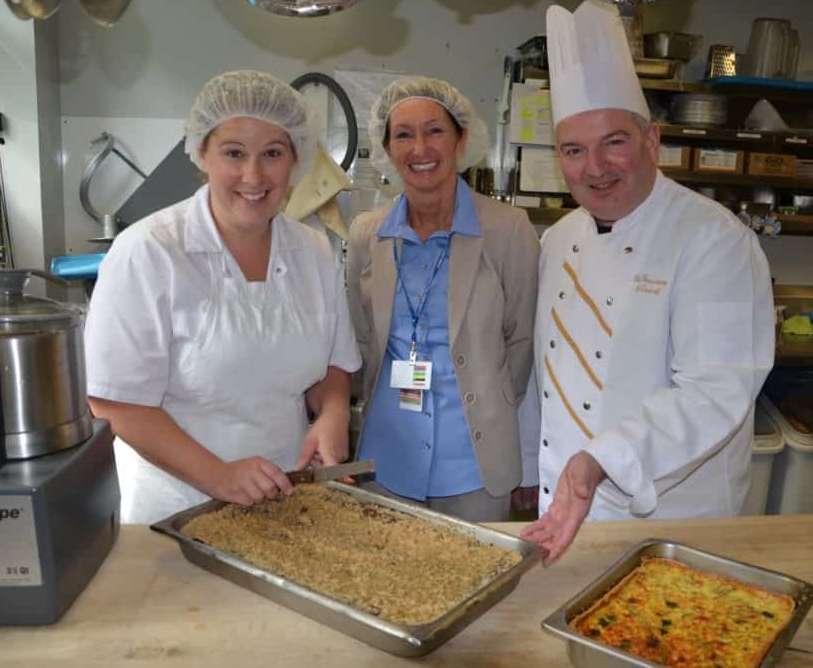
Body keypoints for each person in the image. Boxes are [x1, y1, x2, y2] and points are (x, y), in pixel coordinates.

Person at [520, 1, 776, 564]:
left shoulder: (714, 239)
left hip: (673, 519)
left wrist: (599, 461)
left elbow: (715, 390)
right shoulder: (558, 238)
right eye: (574, 150)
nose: (596, 167)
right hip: (563, 512)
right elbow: (547, 379)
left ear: (652, 142)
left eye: (614, 141)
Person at [85, 70, 361, 524]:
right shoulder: (150, 251)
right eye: (234, 153)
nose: (254, 175)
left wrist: (332, 415)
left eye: (272, 153)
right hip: (175, 510)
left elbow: (332, 363)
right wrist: (217, 476)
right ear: (202, 155)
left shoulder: (313, 251)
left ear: (295, 160)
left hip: (285, 498)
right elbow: (116, 402)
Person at [346, 76, 540, 522]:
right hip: (385, 459)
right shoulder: (367, 235)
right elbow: (359, 340)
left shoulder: (509, 230)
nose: (420, 149)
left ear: (461, 139)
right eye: (404, 135)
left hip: (475, 465)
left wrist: (501, 416)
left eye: (434, 130)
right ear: (388, 148)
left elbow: (523, 343)